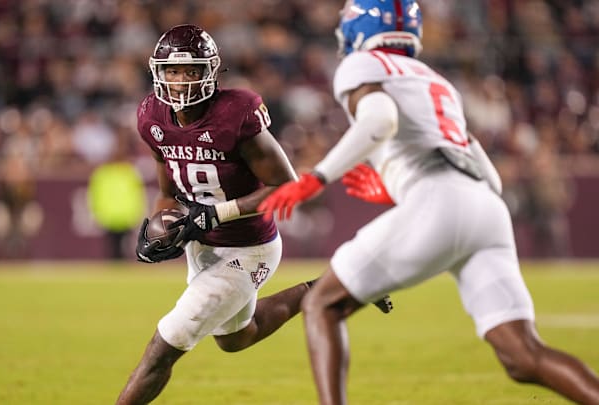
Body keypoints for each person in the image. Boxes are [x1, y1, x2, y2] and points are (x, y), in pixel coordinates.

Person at [259, 1, 599, 404]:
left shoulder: (363, 64)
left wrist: (317, 178)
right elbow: (483, 169)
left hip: (438, 199)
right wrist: (400, 187)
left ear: (357, 29)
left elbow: (379, 120)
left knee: (321, 304)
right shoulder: (434, 80)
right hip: (484, 207)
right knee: (523, 355)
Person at [115, 24, 392, 405]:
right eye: (173, 71)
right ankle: (333, 285)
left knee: (164, 346)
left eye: (191, 70)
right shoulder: (152, 117)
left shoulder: (235, 113)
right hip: (203, 247)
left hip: (247, 247)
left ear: (210, 71)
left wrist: (217, 214)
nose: (181, 81)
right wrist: (159, 227)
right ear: (157, 72)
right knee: (236, 338)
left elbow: (287, 187)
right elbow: (167, 194)